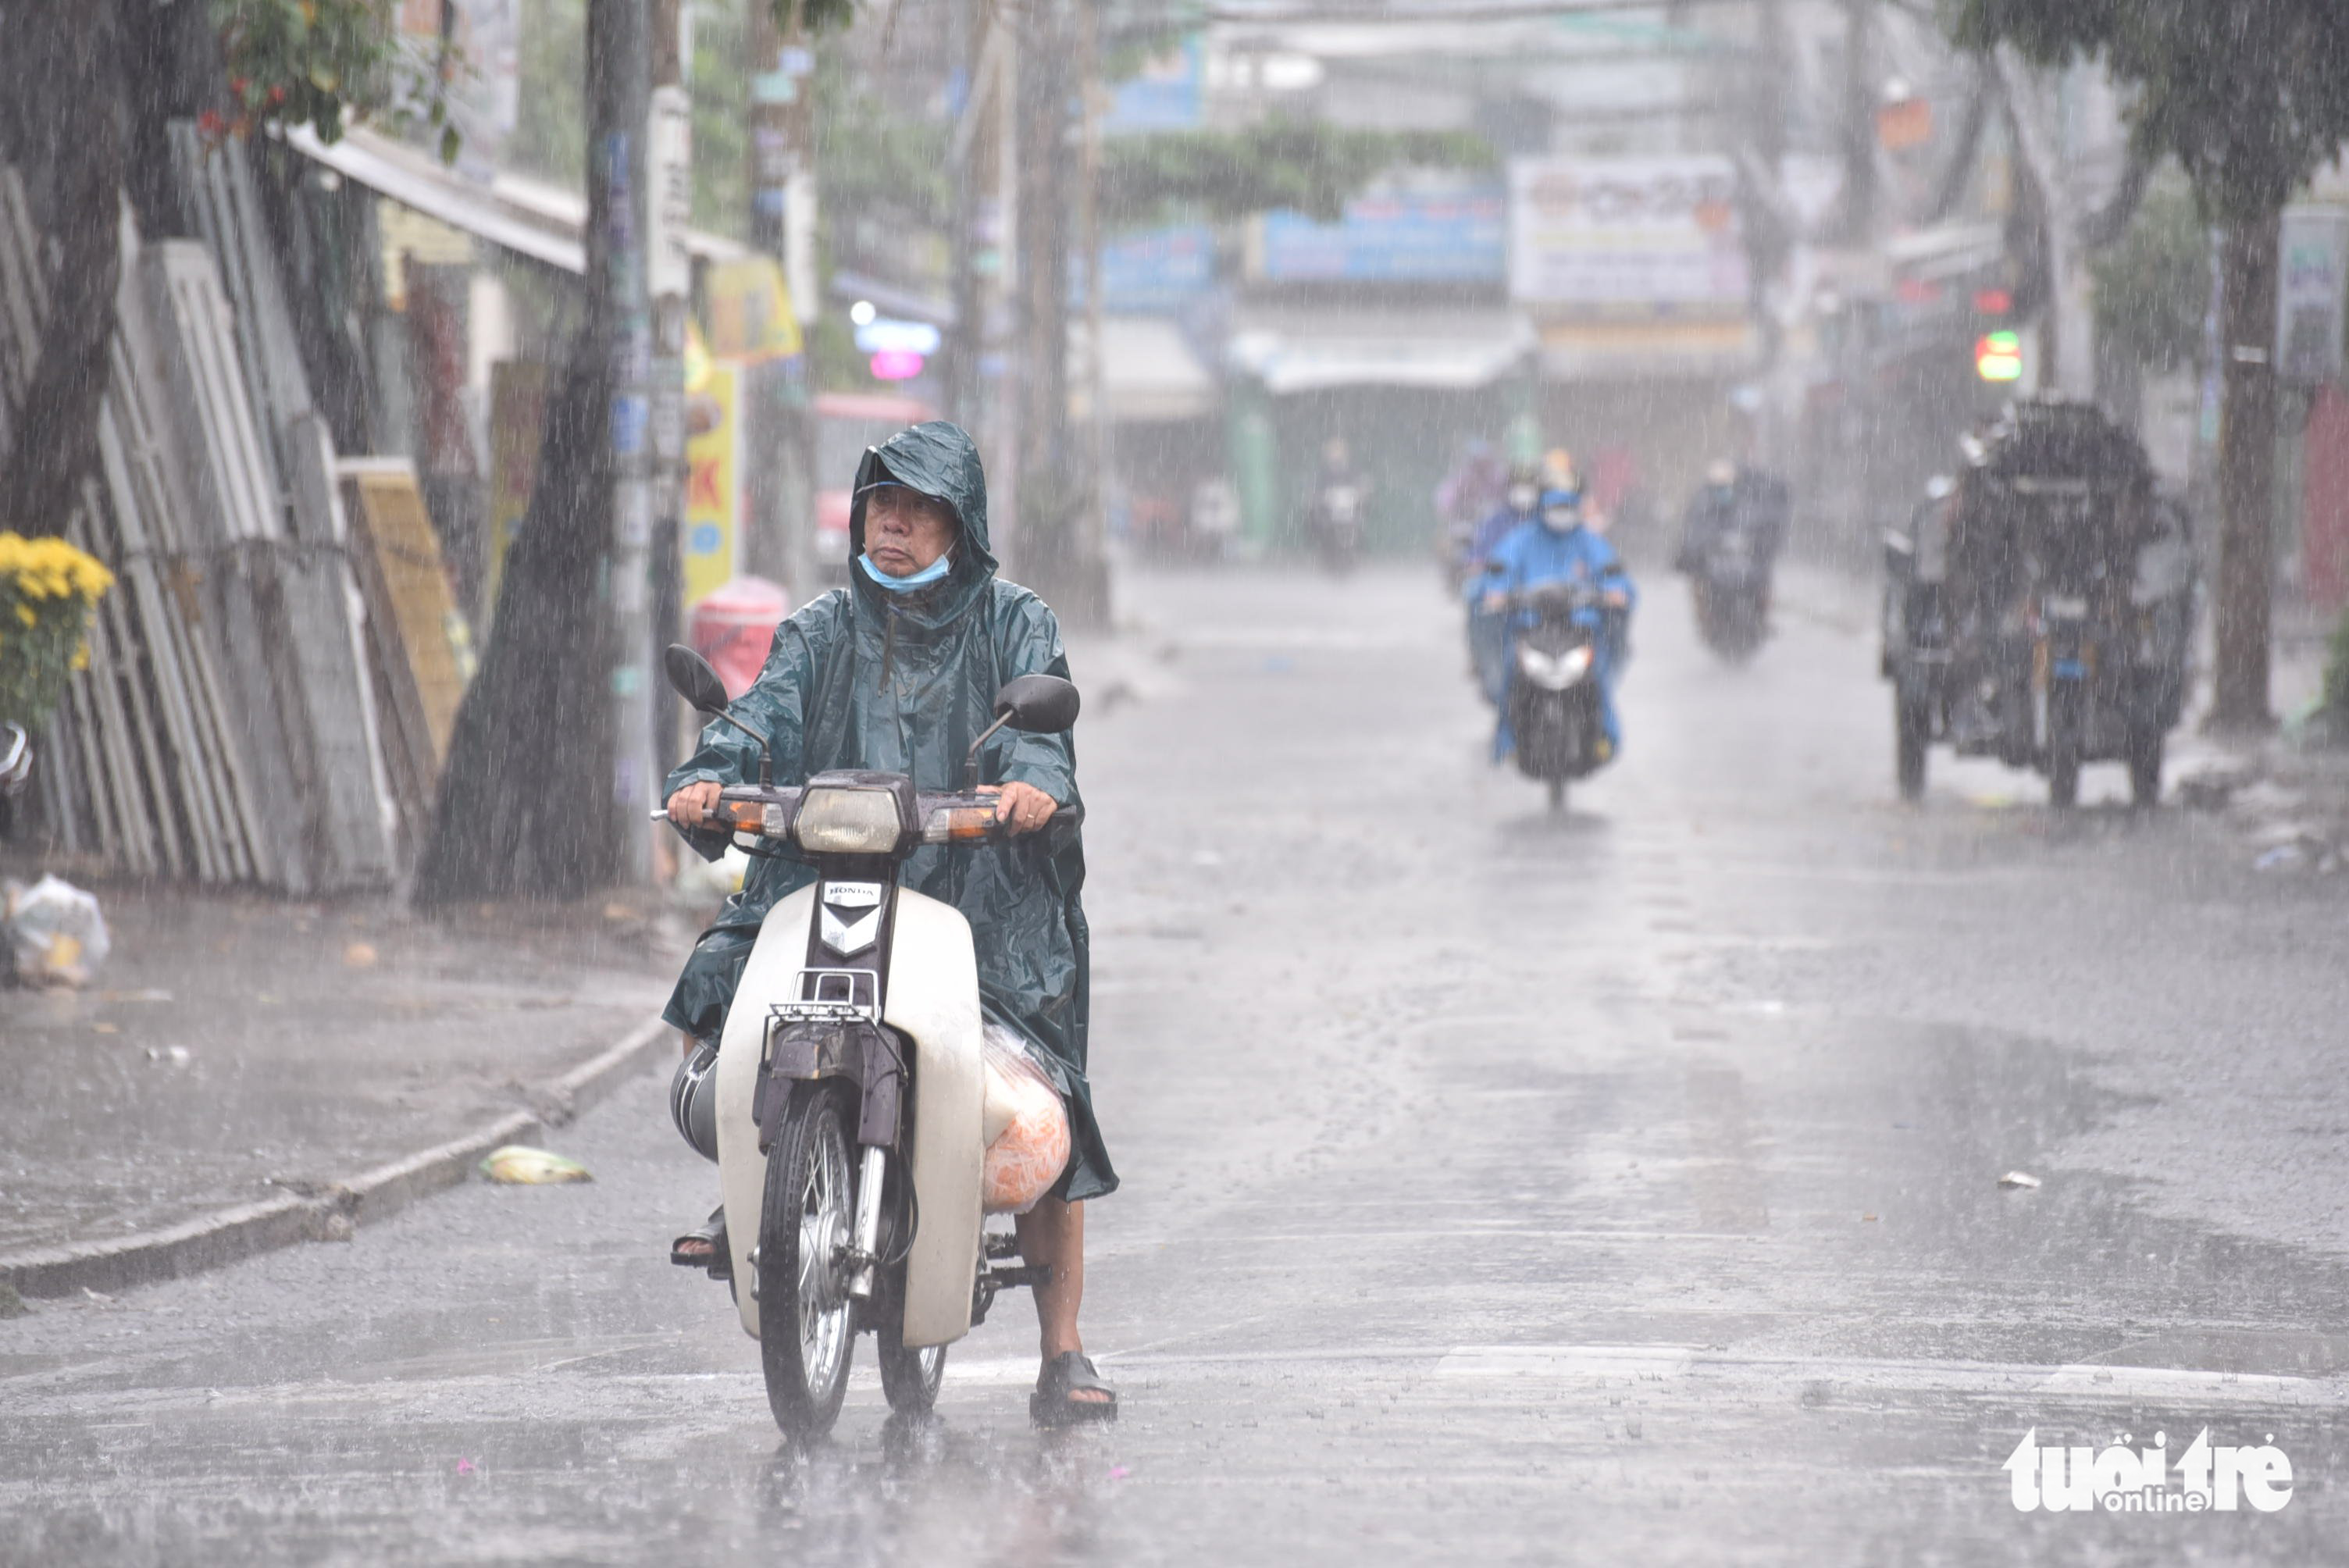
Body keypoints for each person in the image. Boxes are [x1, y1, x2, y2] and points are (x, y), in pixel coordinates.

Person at [661, 420, 1117, 1423]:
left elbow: (1044, 746)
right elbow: (757, 720)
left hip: (982, 901)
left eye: (918, 511)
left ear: (962, 526)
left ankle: (1064, 1348)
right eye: (881, 506)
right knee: (725, 989)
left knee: (1049, 1106)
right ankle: (757, 1191)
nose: (895, 527)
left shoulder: (1015, 623)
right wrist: (707, 782)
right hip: (817, 883)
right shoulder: (820, 629)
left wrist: (1029, 792)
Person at [1473, 480, 1636, 760]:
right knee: (1511, 676)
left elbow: (1612, 572)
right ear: (1542, 509)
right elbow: (1499, 570)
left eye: (1567, 508)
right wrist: (1497, 592)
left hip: (1579, 628)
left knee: (1597, 678)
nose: (1561, 515)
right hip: (1531, 626)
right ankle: (1508, 741)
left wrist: (1615, 591)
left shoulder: (1588, 541)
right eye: (1555, 508)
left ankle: (1605, 737)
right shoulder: (1522, 540)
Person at [1465, 461, 1545, 703]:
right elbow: (1476, 555)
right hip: (1503, 592)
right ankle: (1480, 656)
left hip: (1544, 593)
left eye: (1529, 486)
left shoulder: (1547, 520)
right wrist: (1479, 566)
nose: (1524, 492)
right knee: (1473, 595)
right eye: (1519, 486)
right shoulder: (1496, 521)